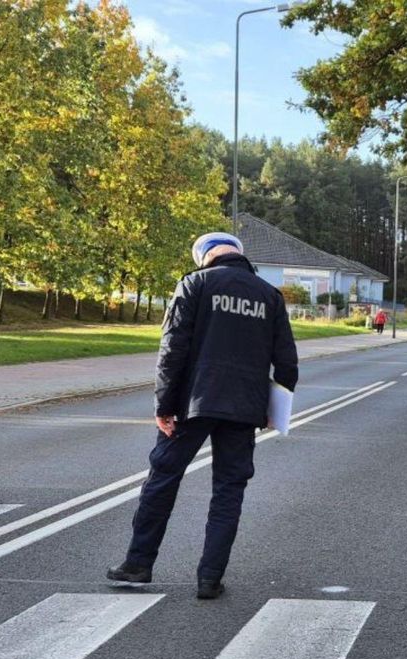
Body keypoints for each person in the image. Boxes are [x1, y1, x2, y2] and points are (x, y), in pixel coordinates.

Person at [106, 232, 299, 599]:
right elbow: (287, 364)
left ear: (204, 257)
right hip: (244, 410)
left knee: (163, 479)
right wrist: (275, 411)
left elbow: (172, 349)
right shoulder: (269, 296)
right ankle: (210, 578)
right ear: (239, 256)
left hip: (191, 405)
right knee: (229, 490)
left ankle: (138, 564)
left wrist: (163, 405)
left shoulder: (194, 284)